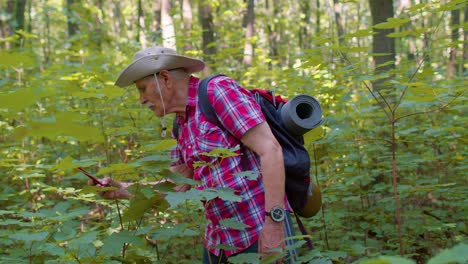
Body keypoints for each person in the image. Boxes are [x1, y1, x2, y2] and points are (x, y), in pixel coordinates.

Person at [91, 46, 297, 263]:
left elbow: (271, 150)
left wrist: (274, 225)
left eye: (142, 88)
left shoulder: (217, 92)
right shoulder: (180, 125)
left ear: (165, 78)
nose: (141, 99)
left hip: (258, 232)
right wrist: (122, 189)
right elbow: (173, 187)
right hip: (218, 245)